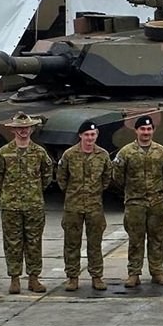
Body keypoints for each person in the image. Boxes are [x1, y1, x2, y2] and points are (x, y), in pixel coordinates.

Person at [0, 112, 54, 295]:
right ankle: (14, 278)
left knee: (34, 242)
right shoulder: (4, 152)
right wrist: (9, 193)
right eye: (20, 128)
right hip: (11, 205)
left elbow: (46, 176)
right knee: (12, 243)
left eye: (26, 127)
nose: (23, 130)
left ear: (32, 129)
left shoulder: (39, 152)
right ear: (14, 130)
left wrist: (34, 192)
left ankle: (34, 278)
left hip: (33, 205)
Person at [113, 114, 163, 288]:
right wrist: (131, 191)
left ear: (153, 130)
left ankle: (157, 272)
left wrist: (162, 195)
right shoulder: (126, 152)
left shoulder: (161, 151)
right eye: (142, 129)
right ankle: (134, 273)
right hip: (135, 203)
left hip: (157, 203)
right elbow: (117, 176)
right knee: (135, 239)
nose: (146, 132)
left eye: (149, 129)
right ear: (136, 131)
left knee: (157, 238)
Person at [56, 119, 111, 291]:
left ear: (97, 135)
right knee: (72, 243)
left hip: (95, 206)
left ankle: (97, 276)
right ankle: (73, 277)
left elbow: (106, 178)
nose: (90, 138)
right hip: (73, 207)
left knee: (95, 243)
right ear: (80, 135)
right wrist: (74, 193)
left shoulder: (103, 155)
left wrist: (94, 192)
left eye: (93, 134)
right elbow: (61, 178)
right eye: (86, 134)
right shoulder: (69, 155)